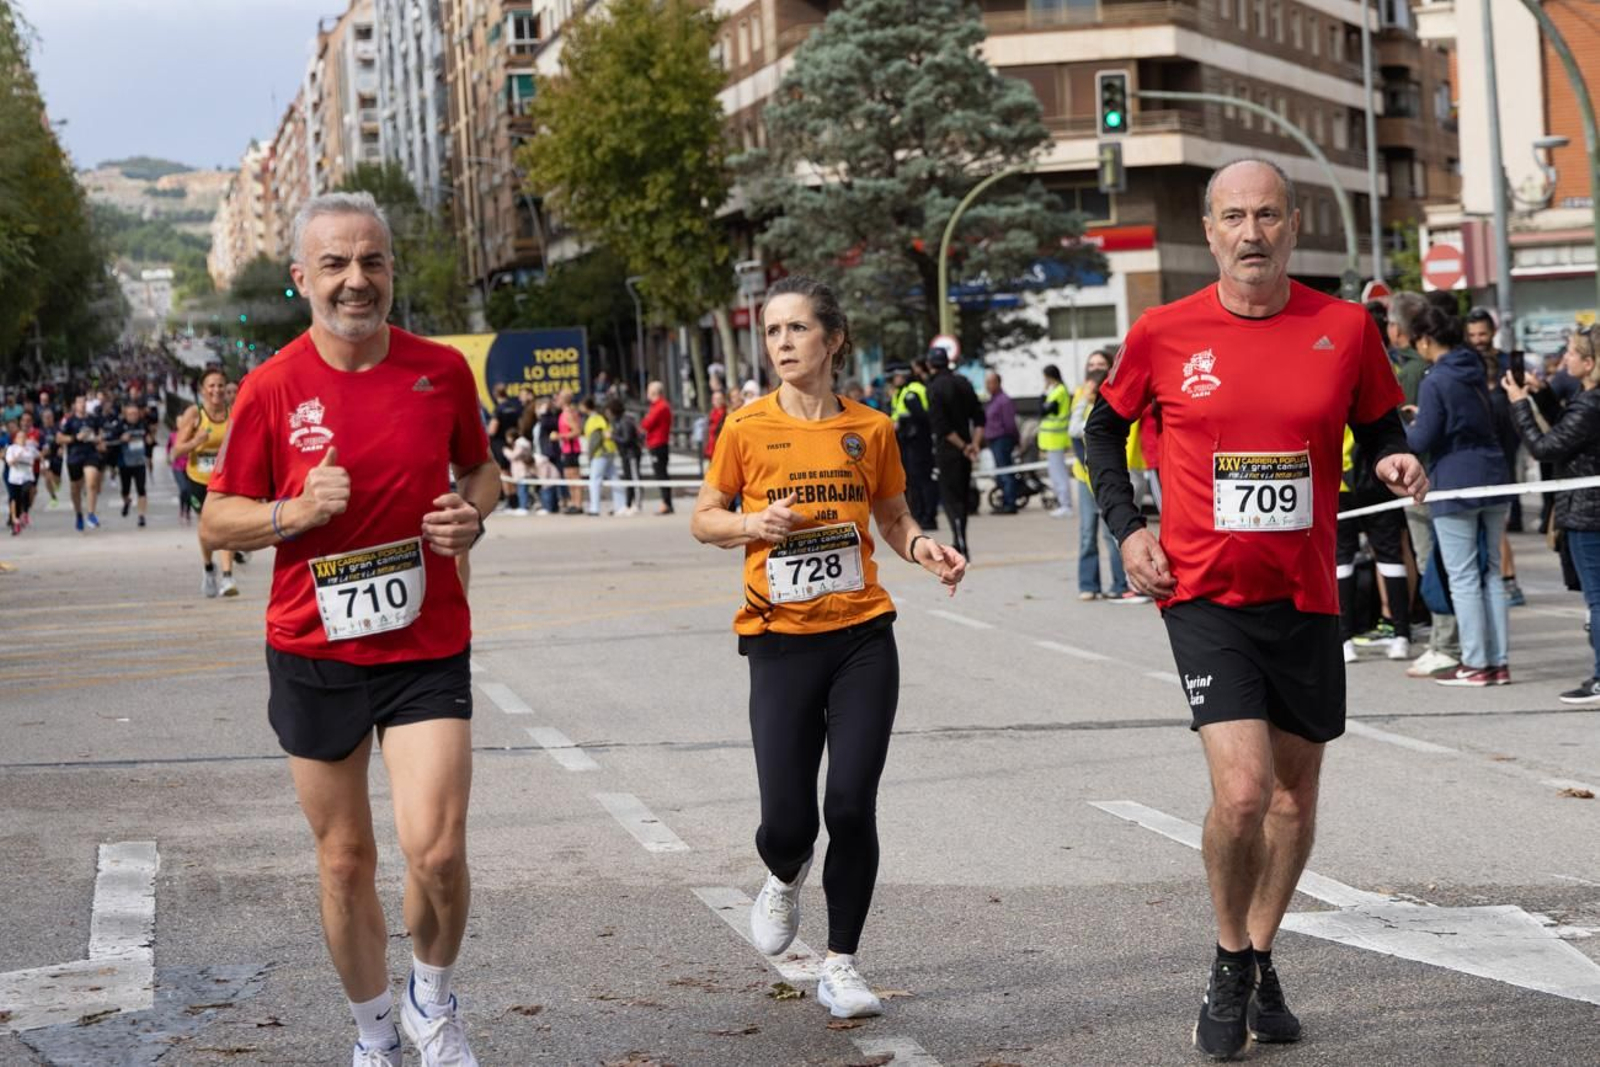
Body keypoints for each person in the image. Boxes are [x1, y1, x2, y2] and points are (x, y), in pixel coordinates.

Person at [1084, 159, 1425, 1059]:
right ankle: (1231, 956)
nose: (1252, 232)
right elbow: (1100, 429)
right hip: (1202, 590)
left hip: (1308, 591)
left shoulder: (1345, 327)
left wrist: (1390, 458)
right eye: (1234, 216)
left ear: (1294, 223)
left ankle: (1263, 949)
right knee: (1240, 792)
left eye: (1267, 214)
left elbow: (1382, 419)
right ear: (1209, 231)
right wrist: (1127, 528)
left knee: (1293, 793)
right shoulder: (1163, 331)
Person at [200, 191, 497, 1067]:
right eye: (335, 264)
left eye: (371, 261)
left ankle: (431, 1002)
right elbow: (218, 521)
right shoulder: (271, 386)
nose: (355, 279)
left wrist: (469, 517)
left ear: (392, 271)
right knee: (344, 861)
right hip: (314, 648)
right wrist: (292, 512)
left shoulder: (441, 370)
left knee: (438, 852)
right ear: (302, 279)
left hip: (425, 641)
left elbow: (483, 471)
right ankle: (374, 1031)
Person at [690, 275, 966, 1022]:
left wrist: (924, 546)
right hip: (778, 642)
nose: (782, 343)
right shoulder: (745, 427)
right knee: (788, 820)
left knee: (849, 801)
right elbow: (705, 517)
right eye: (773, 331)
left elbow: (894, 516)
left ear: (833, 338)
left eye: (797, 329)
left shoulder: (870, 429)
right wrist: (754, 526)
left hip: (862, 640)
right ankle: (783, 874)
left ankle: (842, 961)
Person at [1407, 305, 1514, 687]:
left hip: (1455, 478)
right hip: (1494, 472)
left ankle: (1473, 661)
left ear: (1425, 340)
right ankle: (1497, 663)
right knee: (1490, 574)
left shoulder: (1435, 380)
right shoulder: (1474, 370)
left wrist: (1407, 426)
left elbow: (1422, 440)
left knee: (1463, 576)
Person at [1504, 328, 1600, 703]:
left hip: (1588, 513)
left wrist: (1519, 405)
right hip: (1585, 509)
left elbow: (1546, 446)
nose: (1564, 361)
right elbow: (1566, 428)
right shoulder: (1586, 401)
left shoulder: (1591, 405)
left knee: (1597, 598)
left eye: (1571, 354)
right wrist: (1540, 395)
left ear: (1589, 364)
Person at [1071, 356, 1140, 602]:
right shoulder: (1081, 394)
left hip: (1110, 477)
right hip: (1084, 477)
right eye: (1091, 365)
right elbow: (1074, 430)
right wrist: (1084, 398)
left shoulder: (1116, 395)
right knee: (1088, 533)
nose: (1095, 369)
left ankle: (1120, 584)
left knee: (1111, 532)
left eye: (1101, 365)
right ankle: (1088, 583)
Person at [171, 369, 238, 597]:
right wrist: (196, 441)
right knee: (208, 527)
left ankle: (228, 577)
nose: (217, 390)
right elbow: (176, 451)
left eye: (221, 385)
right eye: (211, 386)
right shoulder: (195, 414)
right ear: (202, 390)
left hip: (225, 480)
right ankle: (209, 568)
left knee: (227, 524)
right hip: (198, 480)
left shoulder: (234, 412)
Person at [924, 346, 983, 559]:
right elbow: (979, 417)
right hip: (966, 450)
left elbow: (941, 426)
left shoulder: (934, 387)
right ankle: (963, 539)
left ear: (931, 364)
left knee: (950, 498)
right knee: (963, 496)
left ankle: (958, 541)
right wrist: (973, 444)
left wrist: (963, 446)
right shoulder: (964, 383)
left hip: (948, 450)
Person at [889, 362, 937, 531]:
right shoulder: (903, 392)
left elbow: (922, 418)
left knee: (922, 480)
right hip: (909, 443)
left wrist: (903, 422)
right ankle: (919, 514)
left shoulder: (912, 392)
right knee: (913, 480)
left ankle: (927, 516)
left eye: (896, 376)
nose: (894, 380)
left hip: (918, 443)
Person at [58, 394, 105, 532]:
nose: (82, 405)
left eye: (84, 402)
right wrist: (75, 438)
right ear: (75, 405)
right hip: (74, 456)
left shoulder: (93, 419)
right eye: (79, 402)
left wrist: (98, 439)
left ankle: (91, 514)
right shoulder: (69, 421)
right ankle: (79, 513)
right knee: (75, 489)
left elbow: (100, 434)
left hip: (90, 453)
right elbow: (60, 438)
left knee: (91, 482)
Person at [1038, 363, 1073, 518]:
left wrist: (1043, 393)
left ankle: (1065, 504)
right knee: (1055, 472)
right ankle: (1062, 503)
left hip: (1056, 438)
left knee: (1059, 473)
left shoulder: (1058, 391)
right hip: (1052, 439)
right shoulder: (1059, 390)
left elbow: (1043, 410)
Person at [983, 370, 1020, 515]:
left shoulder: (1004, 401)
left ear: (998, 383)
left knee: (1006, 471)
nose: (988, 386)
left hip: (1002, 439)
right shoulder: (992, 400)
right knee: (1000, 472)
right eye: (986, 383)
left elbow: (1010, 423)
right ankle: (1004, 500)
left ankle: (1010, 503)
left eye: (990, 383)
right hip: (993, 440)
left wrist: (1015, 440)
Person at [582, 395, 625, 516]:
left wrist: (590, 455)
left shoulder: (593, 420)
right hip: (609, 451)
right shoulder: (601, 418)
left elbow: (595, 439)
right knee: (614, 478)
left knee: (595, 480)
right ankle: (620, 506)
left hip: (600, 452)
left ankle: (594, 508)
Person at [109, 401, 150, 527]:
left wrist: (149, 442)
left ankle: (141, 516)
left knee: (141, 489)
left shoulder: (143, 424)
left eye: (135, 413)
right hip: (125, 463)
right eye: (130, 414)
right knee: (125, 490)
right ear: (125, 414)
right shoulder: (120, 425)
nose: (133, 416)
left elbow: (149, 439)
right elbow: (111, 441)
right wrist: (121, 438)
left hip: (139, 462)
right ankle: (127, 501)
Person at [641, 380, 675, 515]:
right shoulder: (659, 406)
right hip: (657, 443)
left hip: (658, 443)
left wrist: (646, 419)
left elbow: (646, 424)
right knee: (661, 474)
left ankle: (666, 503)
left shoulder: (660, 407)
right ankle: (667, 503)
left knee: (661, 474)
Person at [609, 396, 642, 516]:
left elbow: (627, 439)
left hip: (631, 454)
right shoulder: (617, 421)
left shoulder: (625, 421)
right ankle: (628, 504)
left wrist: (612, 437)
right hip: (624, 455)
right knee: (628, 479)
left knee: (635, 478)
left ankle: (637, 504)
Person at [5, 420, 38, 535]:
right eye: (19, 437)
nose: (22, 439)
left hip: (27, 476)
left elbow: (37, 456)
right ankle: (16, 521)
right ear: (15, 439)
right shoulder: (12, 449)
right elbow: (10, 462)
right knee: (15, 499)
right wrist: (17, 457)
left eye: (24, 437)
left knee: (26, 491)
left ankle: (25, 512)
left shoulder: (30, 448)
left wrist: (44, 465)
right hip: (14, 477)